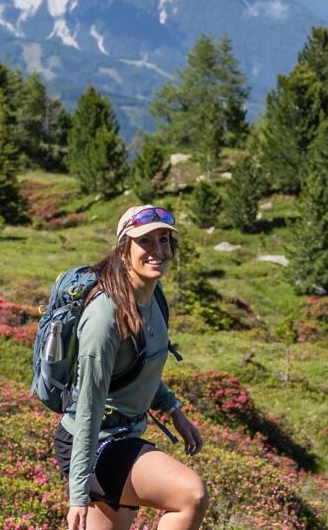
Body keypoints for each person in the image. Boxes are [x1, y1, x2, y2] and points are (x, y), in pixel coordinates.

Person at [56, 205, 210, 530]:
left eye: (164, 240)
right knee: (191, 495)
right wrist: (78, 492)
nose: (158, 251)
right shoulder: (104, 317)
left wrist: (175, 411)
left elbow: (140, 366)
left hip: (123, 436)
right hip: (95, 442)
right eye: (146, 241)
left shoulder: (152, 297)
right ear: (124, 249)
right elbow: (88, 406)